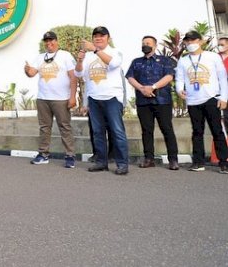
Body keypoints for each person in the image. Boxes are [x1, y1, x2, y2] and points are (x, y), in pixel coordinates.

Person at [75, 26, 130, 175]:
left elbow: (113, 64)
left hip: (112, 98)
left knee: (117, 131)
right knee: (98, 132)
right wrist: (80, 60)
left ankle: (122, 163)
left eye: (102, 36)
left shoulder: (115, 52)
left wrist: (94, 49)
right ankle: (101, 162)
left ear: (108, 38)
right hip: (94, 98)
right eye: (95, 36)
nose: (98, 38)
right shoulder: (88, 56)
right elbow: (79, 74)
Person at [175, 30, 228, 173]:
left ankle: (224, 162)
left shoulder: (212, 57)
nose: (191, 43)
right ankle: (198, 162)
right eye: (188, 41)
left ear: (200, 41)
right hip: (193, 100)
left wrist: (223, 97)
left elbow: (222, 77)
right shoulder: (183, 60)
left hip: (211, 98)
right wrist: (180, 90)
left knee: (217, 131)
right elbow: (179, 78)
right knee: (197, 132)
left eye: (193, 40)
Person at [24, 31, 78, 168]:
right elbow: (32, 73)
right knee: (44, 128)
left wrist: (73, 97)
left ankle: (70, 155)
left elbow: (73, 77)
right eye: (46, 41)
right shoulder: (40, 57)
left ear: (57, 41)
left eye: (51, 40)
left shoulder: (65, 56)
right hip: (43, 98)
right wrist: (27, 69)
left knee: (65, 127)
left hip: (61, 99)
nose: (49, 43)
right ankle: (43, 154)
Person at [126, 35, 180, 170]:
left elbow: (169, 76)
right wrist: (142, 88)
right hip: (143, 101)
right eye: (143, 43)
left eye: (148, 43)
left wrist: (153, 87)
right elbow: (130, 77)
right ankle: (149, 158)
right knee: (146, 130)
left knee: (167, 129)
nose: (145, 45)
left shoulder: (165, 60)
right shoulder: (136, 62)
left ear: (154, 46)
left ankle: (173, 160)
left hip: (162, 100)